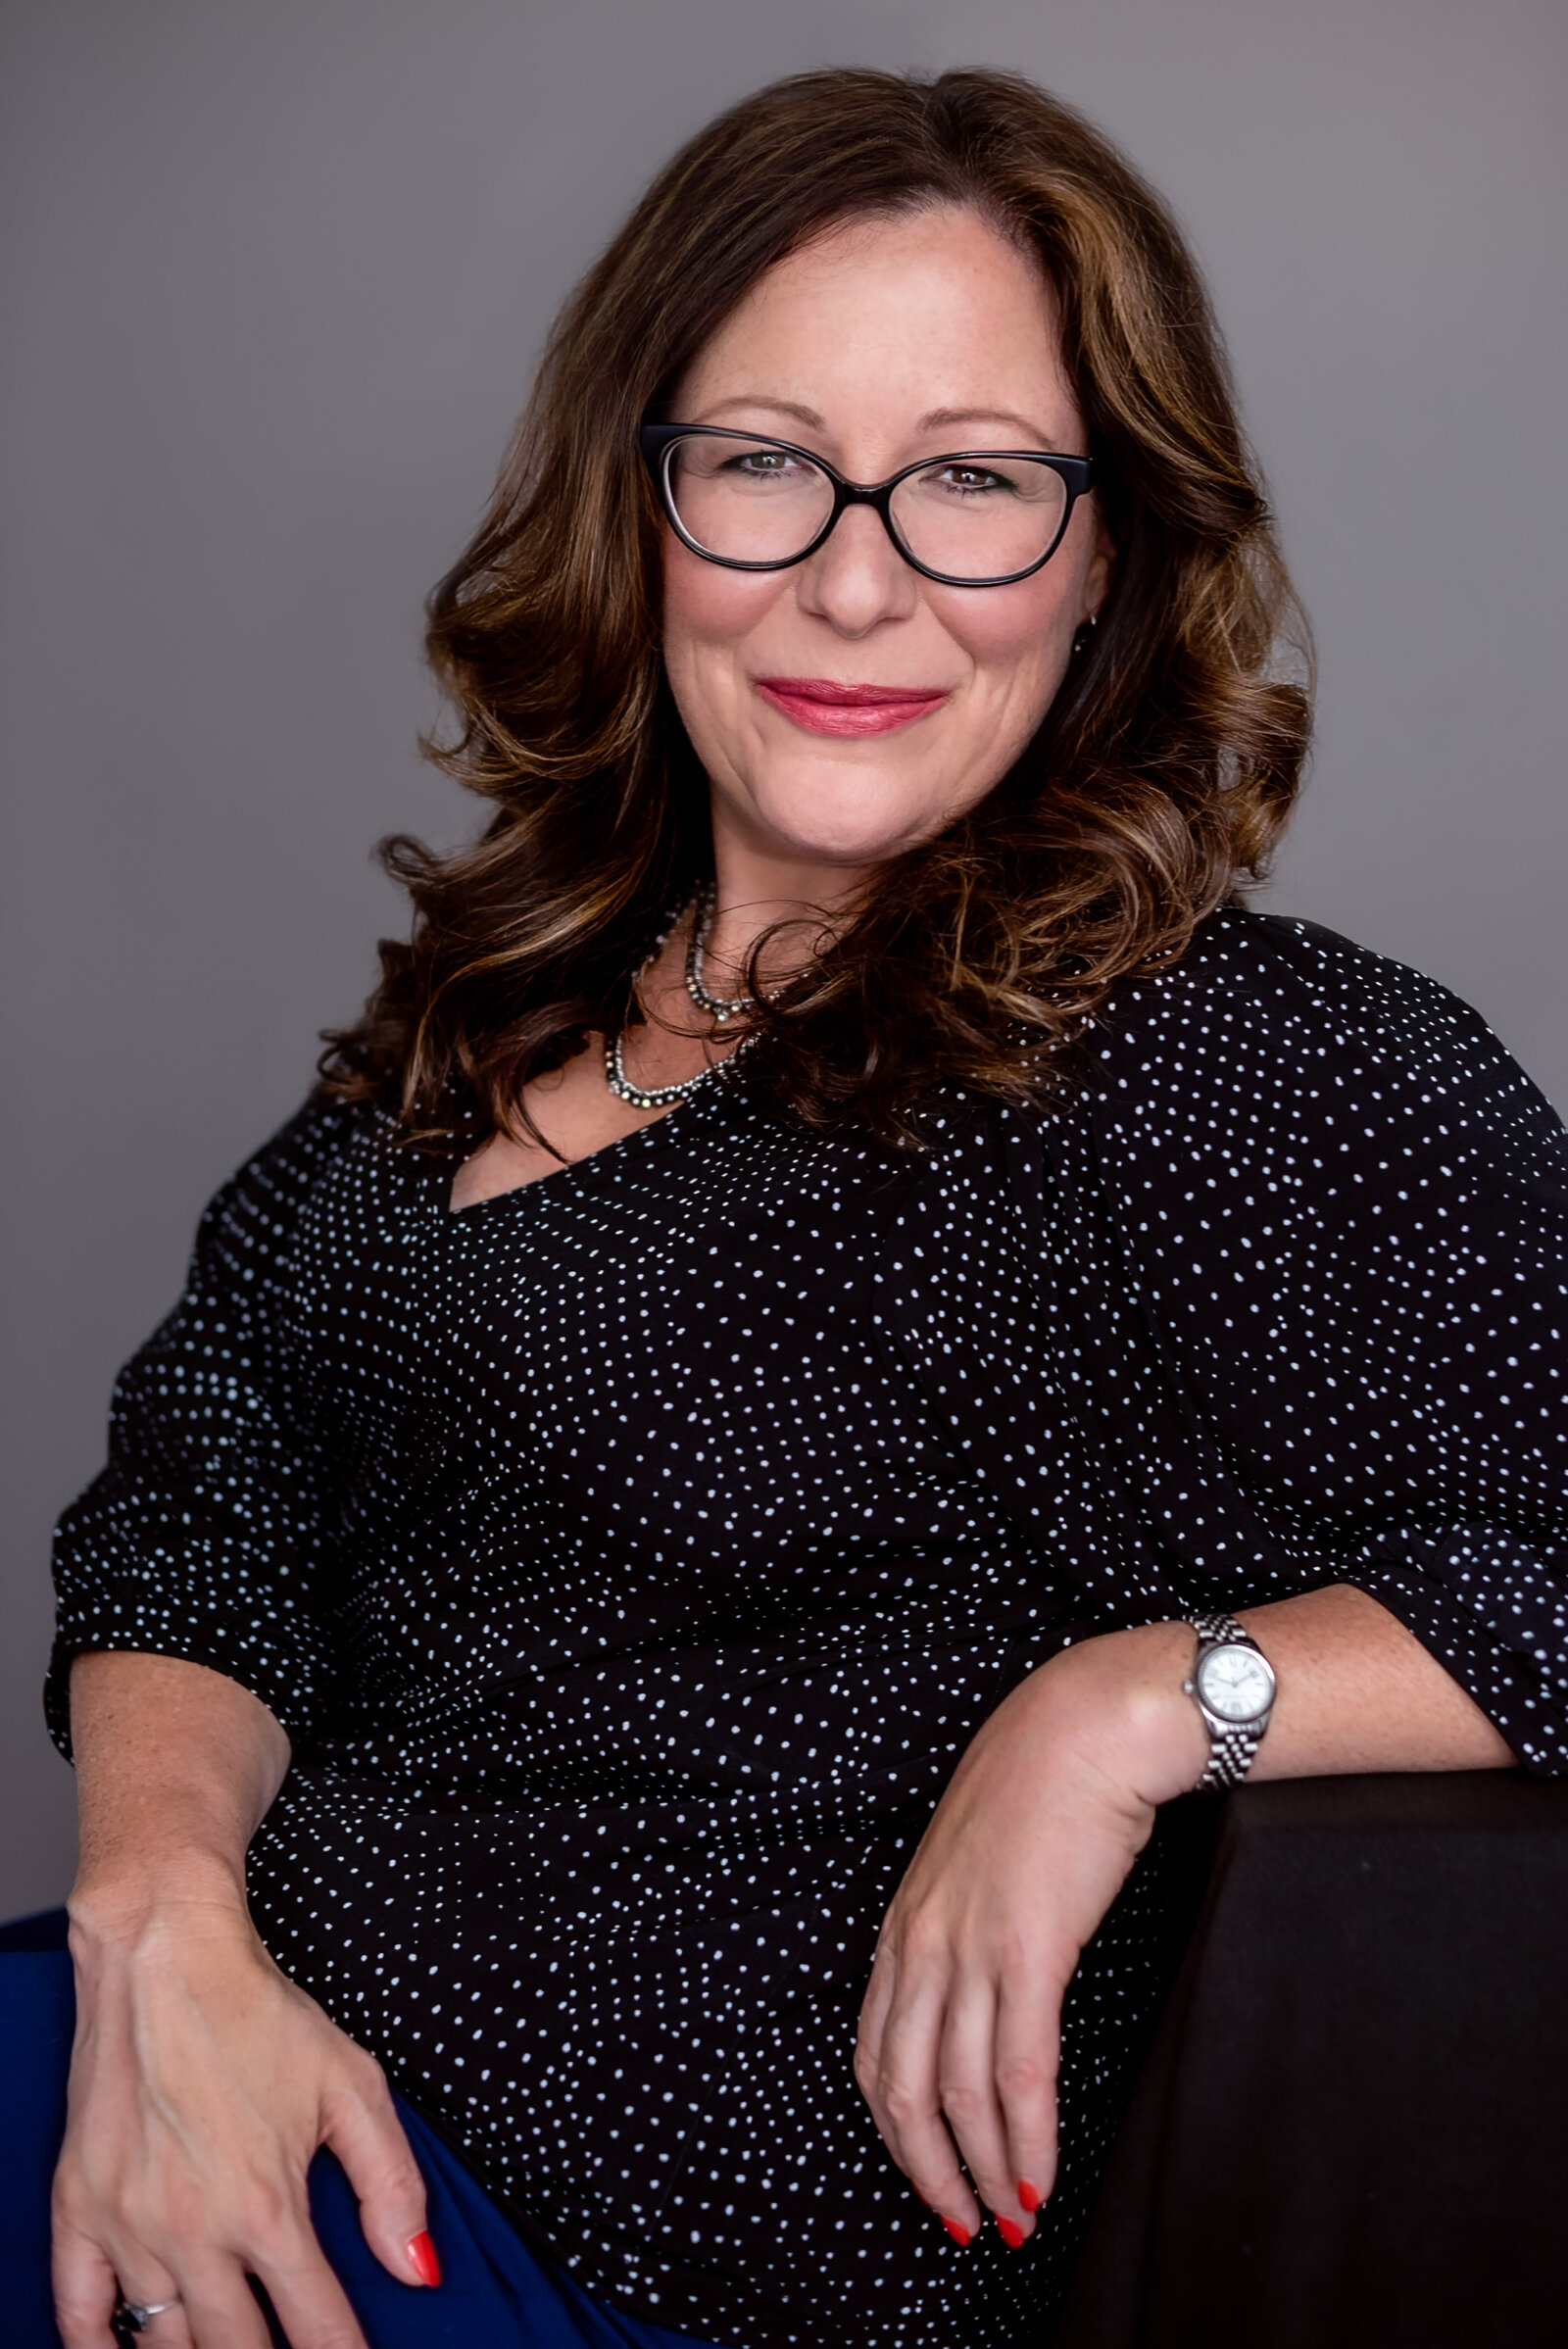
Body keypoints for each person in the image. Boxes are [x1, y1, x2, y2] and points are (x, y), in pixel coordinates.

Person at [21, 61, 1567, 2349]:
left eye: (970, 481)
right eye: (762, 464)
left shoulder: (1236, 1064)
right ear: (638, 511)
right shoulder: (473, 1030)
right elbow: (198, 1497)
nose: (855, 576)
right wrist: (160, 1924)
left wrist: (1140, 1699)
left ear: (1105, 551)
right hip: (204, 2081)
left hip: (598, 2236)